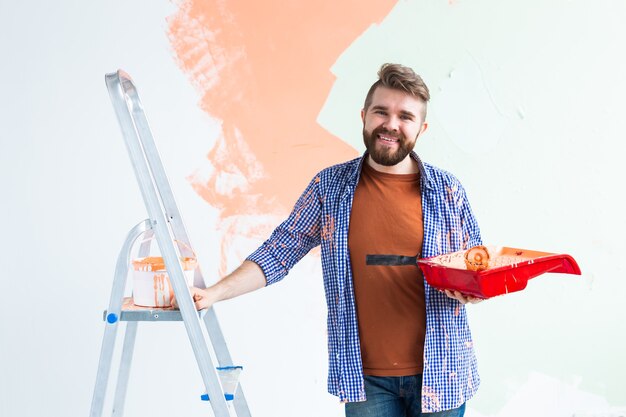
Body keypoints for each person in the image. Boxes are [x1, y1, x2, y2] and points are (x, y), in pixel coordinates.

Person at [184, 63, 483, 416]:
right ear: (364, 116)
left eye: (406, 116)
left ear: (422, 128)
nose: (391, 124)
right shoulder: (330, 188)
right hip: (365, 381)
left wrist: (472, 291)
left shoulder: (447, 191)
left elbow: (477, 266)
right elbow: (279, 251)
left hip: (442, 372)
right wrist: (214, 293)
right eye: (381, 111)